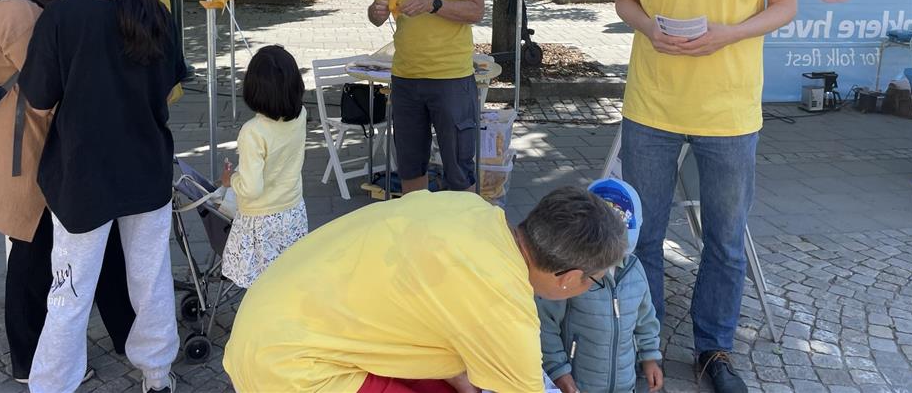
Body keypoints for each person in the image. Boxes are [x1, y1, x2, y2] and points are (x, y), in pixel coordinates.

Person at [607, 0, 806, 393]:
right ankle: (644, 346)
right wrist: (648, 28)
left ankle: (714, 350)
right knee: (641, 234)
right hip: (652, 104)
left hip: (729, 109)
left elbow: (786, 4)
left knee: (723, 237)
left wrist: (728, 33)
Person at [223, 186, 629, 393]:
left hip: (270, 318)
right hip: (290, 368)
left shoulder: (474, 210)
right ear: (568, 276)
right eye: (594, 280)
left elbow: (431, 310)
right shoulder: (505, 305)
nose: (588, 289)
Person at [19, 0, 187, 393]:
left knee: (70, 291)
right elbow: (170, 85)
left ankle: (52, 384)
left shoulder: (64, 17)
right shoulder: (159, 16)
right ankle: (157, 376)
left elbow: (36, 102)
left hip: (82, 175)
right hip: (146, 169)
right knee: (150, 281)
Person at [0, 0, 134, 384]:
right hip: (29, 152)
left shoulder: (32, 0)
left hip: (41, 146)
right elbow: (53, 85)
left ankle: (124, 333)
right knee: (31, 254)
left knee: (81, 245)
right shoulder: (18, 10)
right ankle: (29, 358)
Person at [367, 0, 487, 194]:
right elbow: (376, 14)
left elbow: (476, 11)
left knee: (459, 171)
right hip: (406, 77)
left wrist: (434, 4)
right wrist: (376, 11)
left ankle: (463, 234)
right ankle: (416, 233)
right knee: (409, 167)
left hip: (451, 77)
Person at [537, 179, 663, 393]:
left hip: (624, 384)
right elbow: (546, 325)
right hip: (578, 383)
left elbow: (645, 318)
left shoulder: (635, 269)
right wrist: (558, 371)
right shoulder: (569, 273)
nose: (609, 261)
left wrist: (650, 357)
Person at [219, 45, 309, 288]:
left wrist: (231, 179)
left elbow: (250, 188)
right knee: (287, 278)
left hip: (261, 219)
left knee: (260, 284)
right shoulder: (301, 115)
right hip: (292, 210)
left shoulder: (253, 132)